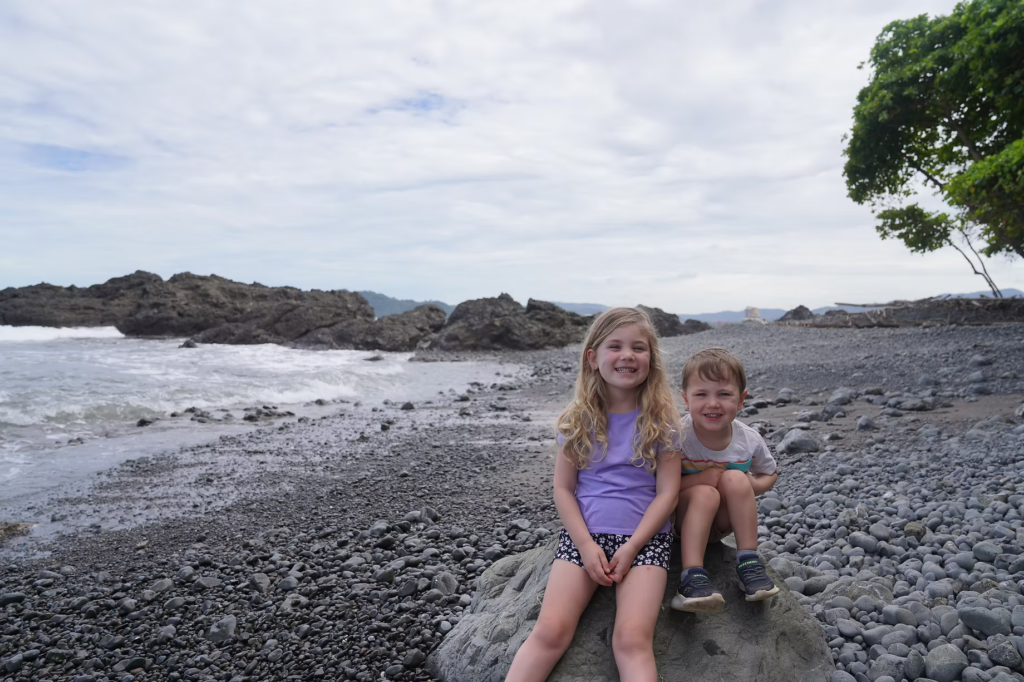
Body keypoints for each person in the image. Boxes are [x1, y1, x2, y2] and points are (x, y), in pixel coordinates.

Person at [505, 308, 682, 682]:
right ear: (593, 357)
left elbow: (668, 493)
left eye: (639, 347)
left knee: (632, 640)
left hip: (645, 540)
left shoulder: (662, 421)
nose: (627, 355)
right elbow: (563, 489)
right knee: (550, 632)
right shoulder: (577, 419)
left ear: (651, 357)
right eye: (614, 346)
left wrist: (633, 546)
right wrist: (585, 545)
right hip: (583, 536)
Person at [670, 347, 779, 612]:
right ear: (686, 399)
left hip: (720, 525)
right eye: (701, 394)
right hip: (680, 522)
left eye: (724, 394)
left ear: (741, 400)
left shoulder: (748, 439)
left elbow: (769, 473)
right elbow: (658, 488)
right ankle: (692, 575)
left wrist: (752, 485)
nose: (713, 403)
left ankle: (749, 562)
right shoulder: (677, 436)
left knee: (737, 479)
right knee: (706, 492)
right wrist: (701, 479)